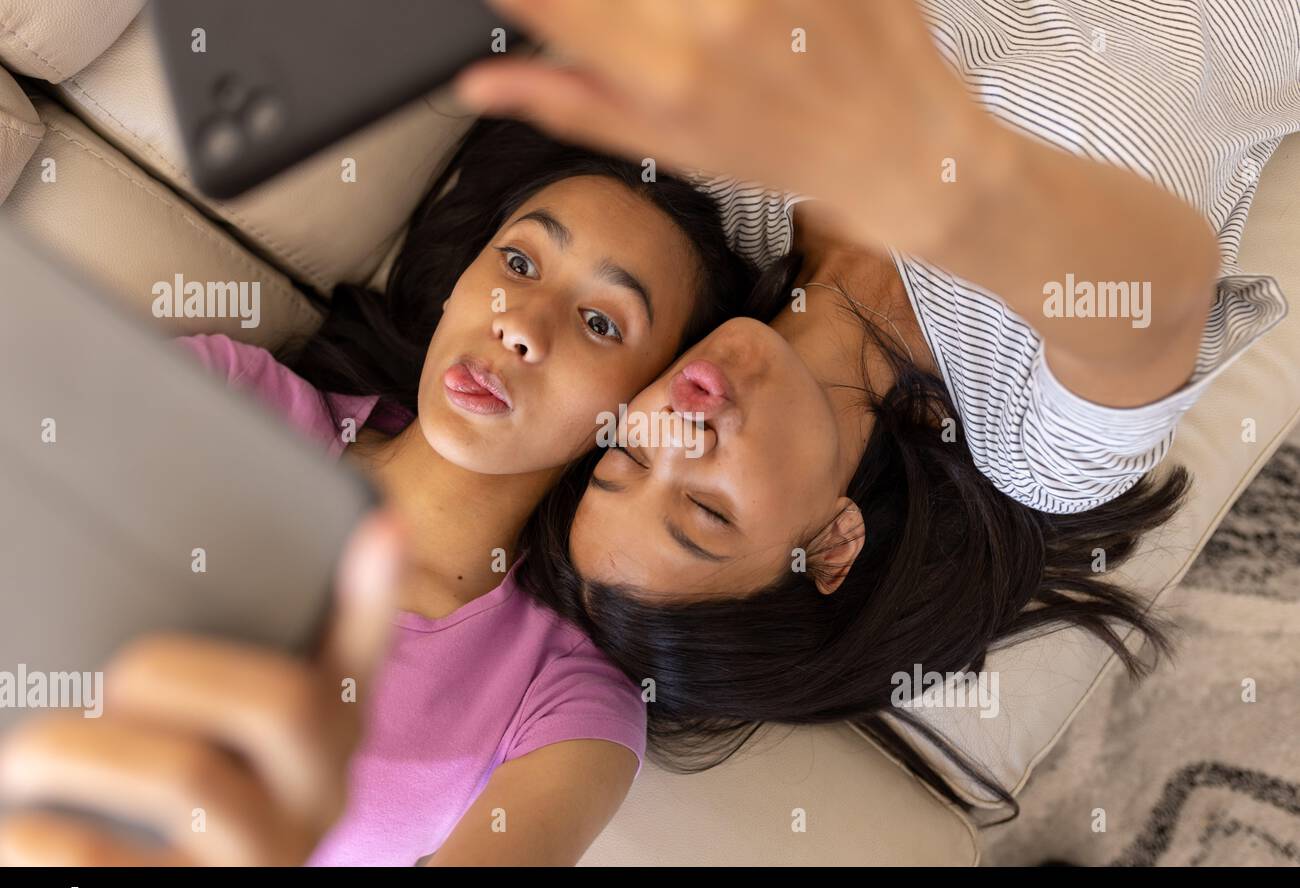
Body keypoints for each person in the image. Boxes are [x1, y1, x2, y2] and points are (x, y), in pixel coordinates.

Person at [461, 0, 1298, 810]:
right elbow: (1158, 285)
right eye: (706, 510)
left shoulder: (729, 185)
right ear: (833, 541)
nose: (676, 433)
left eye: (631, 458)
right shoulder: (1039, 447)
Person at [0, 120, 757, 866]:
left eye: (600, 322)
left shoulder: (567, 704)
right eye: (519, 263)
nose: (521, 325)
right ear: (464, 279)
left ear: (639, 414)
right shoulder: (232, 399)